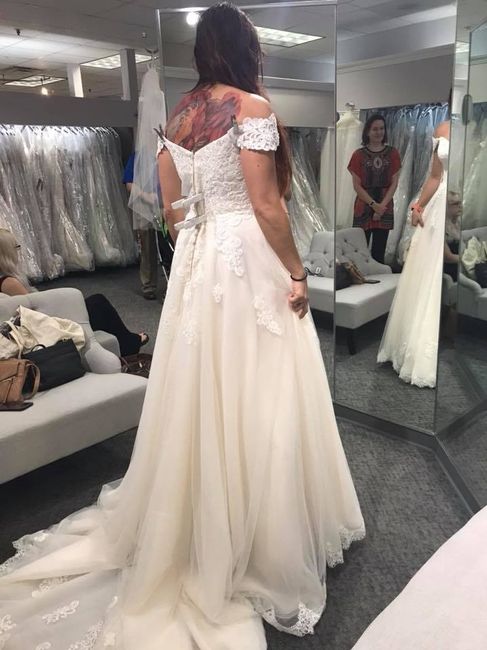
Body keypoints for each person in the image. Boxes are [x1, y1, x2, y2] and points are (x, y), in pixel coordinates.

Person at [0, 4, 364, 649]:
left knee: (202, 386)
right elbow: (267, 204)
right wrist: (297, 272)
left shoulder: (177, 119)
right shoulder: (251, 108)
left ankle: (206, 517)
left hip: (197, 262)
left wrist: (203, 235)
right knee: (263, 386)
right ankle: (261, 535)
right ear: (246, 49)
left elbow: (173, 216)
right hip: (245, 256)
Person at [377, 120, 450, 388]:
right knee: (424, 277)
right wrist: (418, 206)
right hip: (437, 208)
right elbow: (435, 176)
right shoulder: (442, 128)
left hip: (461, 203)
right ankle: (412, 349)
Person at [0, 228, 149, 357]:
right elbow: (34, 313)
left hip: (40, 325)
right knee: (98, 304)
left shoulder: (6, 280)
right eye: (16, 247)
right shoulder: (9, 283)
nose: (18, 252)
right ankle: (128, 343)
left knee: (94, 304)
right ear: (7, 253)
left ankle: (126, 341)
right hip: (47, 328)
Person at [348, 114, 401, 263]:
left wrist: (381, 206)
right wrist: (373, 205)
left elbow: (394, 183)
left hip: (385, 204)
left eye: (382, 128)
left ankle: (379, 278)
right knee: (360, 251)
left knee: (379, 252)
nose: (379, 132)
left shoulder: (393, 153)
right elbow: (357, 185)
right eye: (375, 129)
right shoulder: (358, 155)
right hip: (364, 204)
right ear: (368, 131)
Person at [123, 152, 159, 300]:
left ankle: (173, 284)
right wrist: (147, 196)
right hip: (144, 207)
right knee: (147, 247)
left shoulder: (166, 153)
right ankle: (148, 285)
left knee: (169, 247)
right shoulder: (137, 157)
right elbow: (129, 183)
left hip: (165, 204)